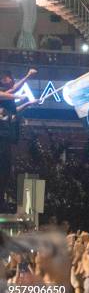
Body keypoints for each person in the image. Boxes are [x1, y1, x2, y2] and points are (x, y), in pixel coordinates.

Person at [0, 69, 37, 212]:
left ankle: (1, 198)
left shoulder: (8, 102)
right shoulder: (5, 95)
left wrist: (28, 103)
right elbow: (12, 92)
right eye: (7, 78)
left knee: (6, 170)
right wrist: (27, 76)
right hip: (2, 135)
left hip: (7, 137)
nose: (10, 81)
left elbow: (15, 109)